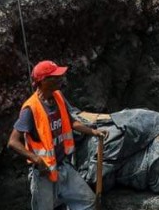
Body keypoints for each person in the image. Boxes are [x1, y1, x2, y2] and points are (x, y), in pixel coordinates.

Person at [7, 60, 106, 210]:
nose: (60, 79)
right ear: (43, 81)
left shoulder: (58, 97)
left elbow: (71, 122)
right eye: (55, 76)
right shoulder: (30, 108)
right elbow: (13, 142)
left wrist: (93, 131)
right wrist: (36, 159)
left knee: (88, 203)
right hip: (43, 174)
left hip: (64, 167)